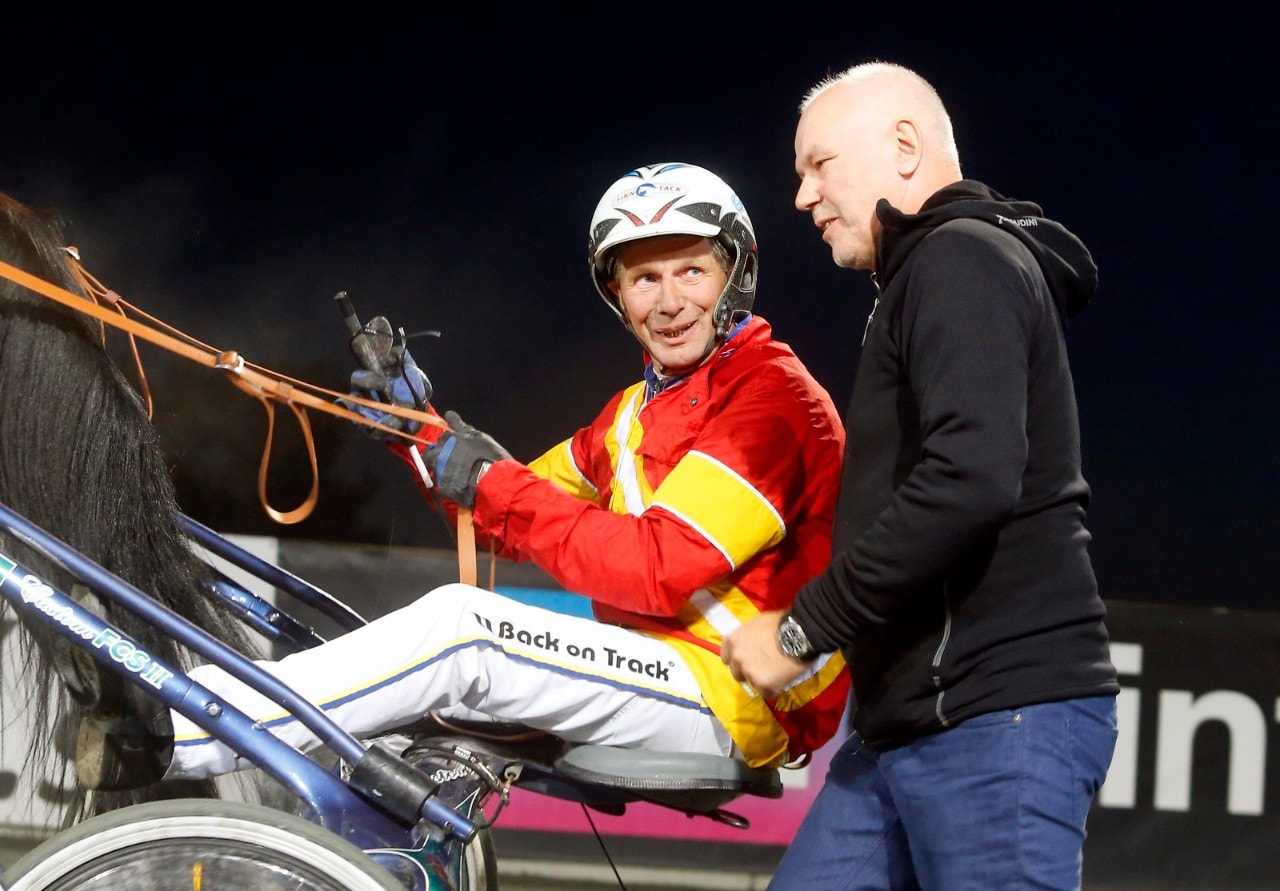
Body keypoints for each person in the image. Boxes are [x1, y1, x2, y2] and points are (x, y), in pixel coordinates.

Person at [80, 162, 850, 791]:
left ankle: (173, 736)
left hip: (739, 697)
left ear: (737, 273)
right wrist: (416, 428)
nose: (671, 300)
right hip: (669, 674)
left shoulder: (773, 400)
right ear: (616, 294)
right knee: (430, 680)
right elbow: (502, 506)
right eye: (645, 279)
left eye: (692, 270)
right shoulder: (630, 413)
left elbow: (655, 569)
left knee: (463, 632)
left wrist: (485, 480)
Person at [721, 63, 1120, 890]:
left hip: (995, 716)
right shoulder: (930, 273)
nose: (801, 195)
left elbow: (970, 479)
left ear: (904, 146)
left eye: (818, 164)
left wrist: (801, 630)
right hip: (902, 732)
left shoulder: (959, 258)